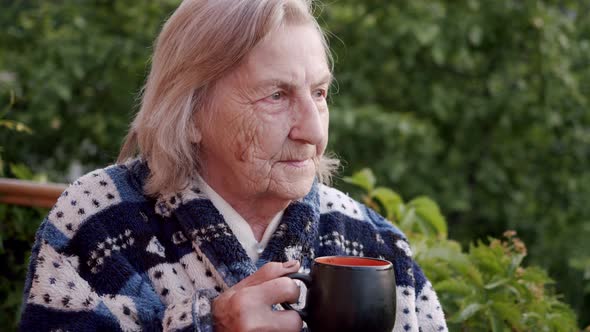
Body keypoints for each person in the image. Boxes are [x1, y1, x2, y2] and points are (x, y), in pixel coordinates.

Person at [20, 0, 447, 331]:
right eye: (276, 96)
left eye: (318, 93)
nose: (313, 131)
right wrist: (207, 323)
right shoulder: (97, 220)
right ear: (189, 115)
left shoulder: (374, 245)